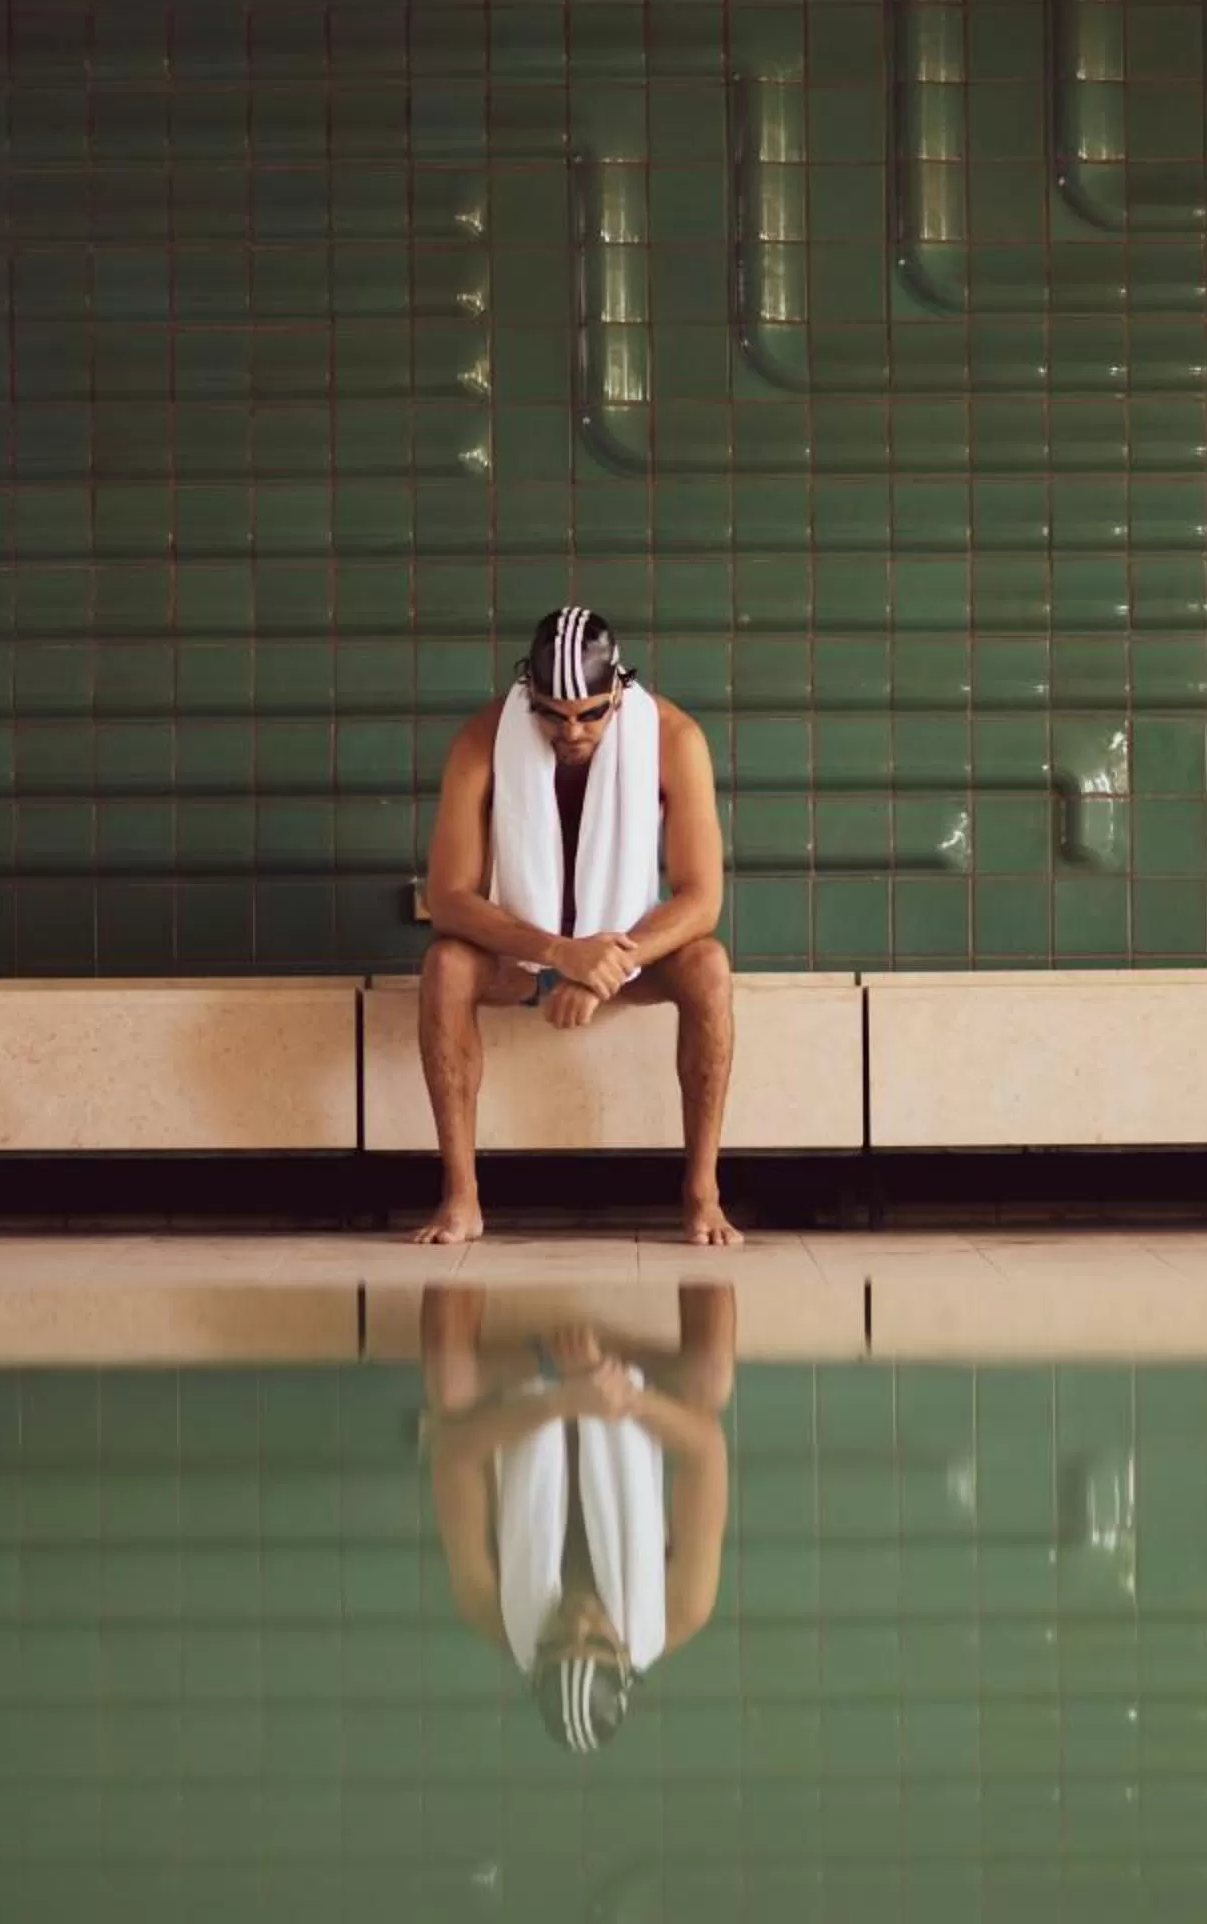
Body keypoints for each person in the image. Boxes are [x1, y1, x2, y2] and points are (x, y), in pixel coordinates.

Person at [412, 607, 740, 1246]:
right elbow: (450, 899)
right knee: (446, 964)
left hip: (622, 958)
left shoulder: (674, 738)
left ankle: (703, 1193)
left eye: (591, 713)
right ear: (527, 693)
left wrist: (601, 968)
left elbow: (702, 900)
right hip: (521, 955)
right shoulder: (483, 740)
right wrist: (560, 952)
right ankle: (461, 1197)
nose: (572, 731)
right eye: (552, 714)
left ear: (618, 689)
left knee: (709, 964)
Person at [420, 1282, 735, 1753]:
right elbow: (706, 1449)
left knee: (450, 1385)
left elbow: (452, 1455)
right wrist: (619, 1393)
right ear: (626, 1659)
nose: (578, 1620)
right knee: (710, 1382)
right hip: (620, 1377)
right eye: (596, 1639)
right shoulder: (682, 1605)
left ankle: (458, 1251)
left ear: (537, 1662)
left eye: (558, 1640)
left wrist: (563, 1399)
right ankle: (709, 1244)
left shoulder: (488, 1606)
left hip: (529, 1376)